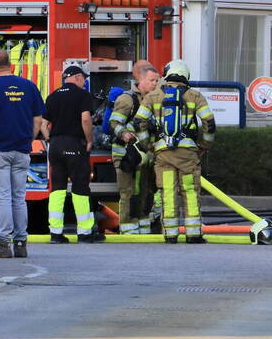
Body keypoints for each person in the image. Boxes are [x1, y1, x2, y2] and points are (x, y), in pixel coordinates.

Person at [0, 49, 45, 259]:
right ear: (10, 65)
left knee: (2, 197)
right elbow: (38, 120)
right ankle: (21, 243)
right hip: (21, 149)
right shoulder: (28, 86)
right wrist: (27, 140)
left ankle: (3, 242)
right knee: (19, 197)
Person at [133, 60, 216, 244]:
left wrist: (149, 145)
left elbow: (138, 123)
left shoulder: (153, 96)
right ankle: (193, 234)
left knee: (168, 191)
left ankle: (170, 234)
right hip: (188, 154)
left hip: (163, 154)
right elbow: (209, 123)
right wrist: (204, 146)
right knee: (190, 191)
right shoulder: (195, 96)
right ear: (185, 75)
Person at [43, 65, 105, 243]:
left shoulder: (52, 96)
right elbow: (85, 119)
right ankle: (84, 232)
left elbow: (42, 124)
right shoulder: (82, 95)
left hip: (55, 145)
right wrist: (90, 140)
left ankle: (55, 233)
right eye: (83, 79)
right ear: (77, 77)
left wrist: (50, 139)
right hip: (75, 145)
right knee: (80, 188)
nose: (84, 82)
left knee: (57, 189)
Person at [108, 62, 160, 234]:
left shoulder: (154, 100)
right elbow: (114, 122)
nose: (155, 84)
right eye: (152, 80)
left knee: (145, 193)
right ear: (141, 80)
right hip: (126, 155)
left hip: (146, 155)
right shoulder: (127, 99)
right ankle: (128, 230)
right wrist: (124, 134)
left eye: (157, 81)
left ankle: (143, 229)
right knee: (128, 193)